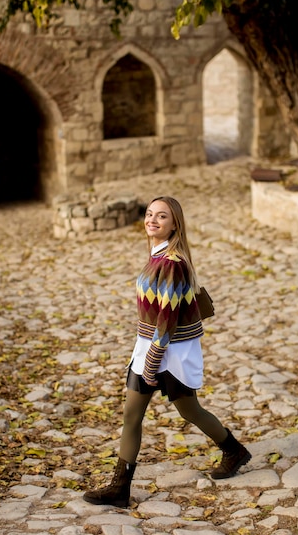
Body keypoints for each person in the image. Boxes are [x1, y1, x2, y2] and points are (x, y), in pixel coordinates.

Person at [83, 196, 251, 508]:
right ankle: (120, 488)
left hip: (170, 352)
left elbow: (167, 320)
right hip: (150, 346)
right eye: (149, 214)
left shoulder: (172, 265)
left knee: (190, 411)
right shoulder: (157, 256)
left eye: (161, 216)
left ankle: (234, 450)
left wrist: (152, 362)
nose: (152, 220)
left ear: (175, 224)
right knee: (131, 416)